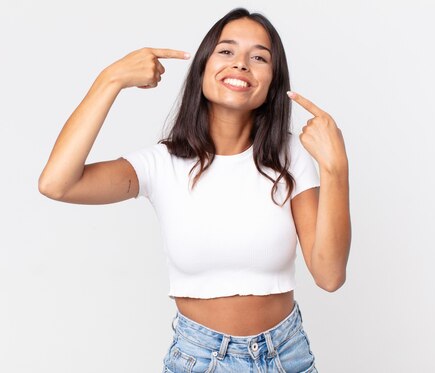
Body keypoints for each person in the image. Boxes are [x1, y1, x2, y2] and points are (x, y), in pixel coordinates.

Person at [38, 7, 350, 373]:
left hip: (287, 356)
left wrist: (336, 168)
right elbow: (56, 183)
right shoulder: (162, 163)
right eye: (227, 51)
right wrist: (110, 80)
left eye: (259, 57)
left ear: (273, 83)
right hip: (201, 360)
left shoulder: (290, 154)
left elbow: (329, 276)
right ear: (202, 67)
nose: (242, 65)